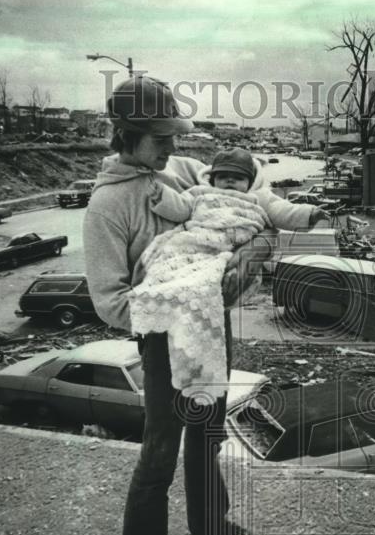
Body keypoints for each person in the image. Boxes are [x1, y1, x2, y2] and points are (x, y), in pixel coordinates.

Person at [83, 75, 270, 535]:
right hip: (165, 341)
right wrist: (186, 295)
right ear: (127, 135)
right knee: (159, 457)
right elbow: (110, 304)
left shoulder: (180, 175)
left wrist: (250, 256)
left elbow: (251, 212)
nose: (171, 148)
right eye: (159, 138)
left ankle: (211, 527)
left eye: (172, 136)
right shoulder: (106, 207)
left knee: (209, 434)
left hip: (212, 327)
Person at [128, 147, 325, 400]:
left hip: (231, 245)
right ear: (212, 179)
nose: (230, 181)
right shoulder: (199, 193)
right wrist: (160, 196)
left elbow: (283, 211)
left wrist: (309, 214)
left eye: (238, 177)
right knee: (170, 260)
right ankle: (154, 306)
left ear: (250, 182)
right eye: (223, 177)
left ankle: (198, 353)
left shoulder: (258, 199)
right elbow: (179, 208)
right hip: (199, 239)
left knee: (210, 281)